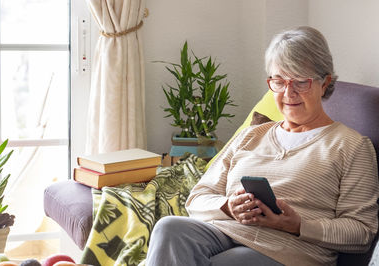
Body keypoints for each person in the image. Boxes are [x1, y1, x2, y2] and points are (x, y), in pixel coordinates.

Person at [146, 26, 379, 266]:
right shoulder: (251, 135)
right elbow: (196, 198)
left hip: (288, 251)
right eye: (279, 81)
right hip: (225, 232)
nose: (288, 93)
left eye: (300, 82)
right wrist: (227, 206)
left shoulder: (351, 146)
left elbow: (361, 232)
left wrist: (297, 225)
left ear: (324, 82)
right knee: (168, 228)